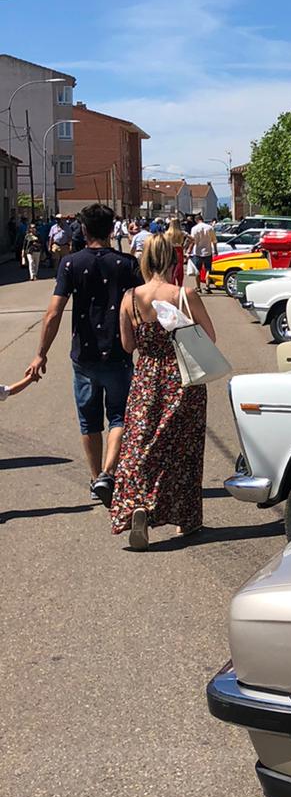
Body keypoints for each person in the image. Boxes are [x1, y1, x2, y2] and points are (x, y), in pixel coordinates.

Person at [29, 202, 141, 506]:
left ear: (85, 229)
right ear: (110, 230)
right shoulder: (127, 264)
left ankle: (96, 480)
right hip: (119, 353)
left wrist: (41, 353)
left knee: (88, 421)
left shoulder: (71, 264)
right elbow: (142, 308)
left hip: (84, 354)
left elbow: (53, 313)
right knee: (119, 416)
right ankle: (108, 473)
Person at [111, 232, 215, 550]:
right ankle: (186, 517)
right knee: (183, 449)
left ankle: (139, 505)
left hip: (146, 379)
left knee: (141, 446)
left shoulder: (130, 298)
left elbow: (128, 346)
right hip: (182, 378)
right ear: (173, 260)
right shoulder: (184, 294)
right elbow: (210, 337)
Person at [190, 216, 217, 293]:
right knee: (208, 269)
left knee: (197, 270)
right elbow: (214, 240)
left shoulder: (194, 228)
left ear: (196, 220)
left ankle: (198, 287)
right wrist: (215, 250)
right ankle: (207, 287)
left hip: (197, 251)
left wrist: (189, 250)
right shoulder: (210, 228)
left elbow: (192, 240)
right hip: (208, 251)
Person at [164, 219, 187, 285]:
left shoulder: (167, 233)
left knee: (171, 267)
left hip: (170, 249)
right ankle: (180, 284)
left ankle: (172, 283)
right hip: (179, 249)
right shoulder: (182, 232)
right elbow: (192, 239)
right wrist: (185, 246)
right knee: (180, 268)